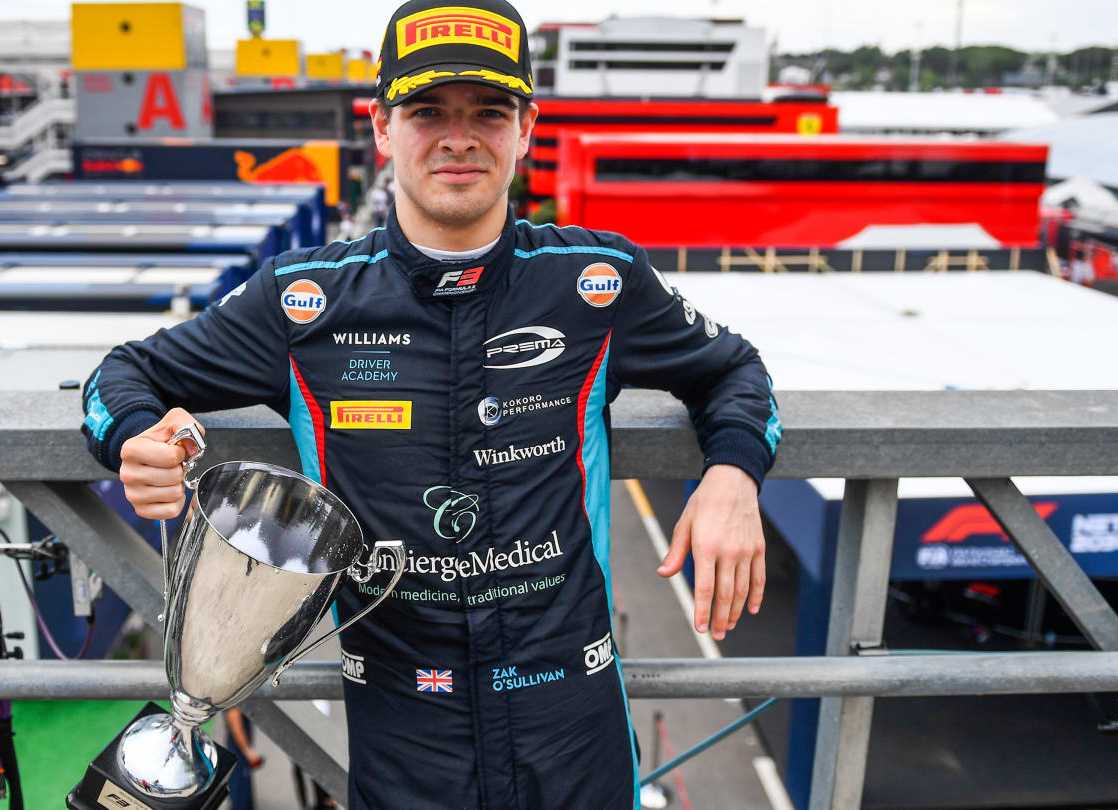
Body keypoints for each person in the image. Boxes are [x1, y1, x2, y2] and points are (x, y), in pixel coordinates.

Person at [80, 1, 781, 806]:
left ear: (526, 128)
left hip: (574, 715)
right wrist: (136, 435)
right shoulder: (307, 300)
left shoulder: (598, 282)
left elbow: (738, 372)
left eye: (489, 110)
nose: (459, 136)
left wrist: (731, 477)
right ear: (381, 126)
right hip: (404, 723)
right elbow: (118, 376)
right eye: (426, 111)